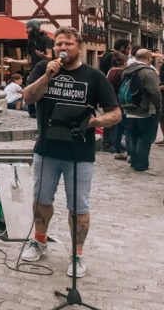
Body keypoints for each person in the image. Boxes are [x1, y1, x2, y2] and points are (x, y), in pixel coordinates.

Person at [22, 26, 120, 278]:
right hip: (47, 149)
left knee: (78, 206)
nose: (62, 48)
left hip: (79, 152)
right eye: (58, 44)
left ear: (80, 47)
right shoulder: (43, 68)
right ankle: (39, 241)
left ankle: (77, 255)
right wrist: (47, 76)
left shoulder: (94, 77)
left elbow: (115, 114)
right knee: (41, 200)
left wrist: (93, 122)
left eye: (68, 44)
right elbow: (28, 98)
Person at [120, 49, 161, 172]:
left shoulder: (127, 70)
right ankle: (141, 165)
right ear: (148, 58)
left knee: (133, 137)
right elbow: (155, 93)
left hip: (128, 108)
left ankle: (133, 161)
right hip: (145, 110)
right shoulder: (148, 72)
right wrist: (159, 107)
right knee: (144, 138)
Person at [105, 51, 129, 160]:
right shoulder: (122, 73)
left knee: (116, 126)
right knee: (121, 127)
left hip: (111, 101)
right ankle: (122, 149)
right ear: (123, 62)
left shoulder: (111, 71)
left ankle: (116, 148)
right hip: (120, 102)